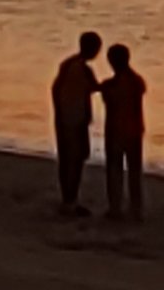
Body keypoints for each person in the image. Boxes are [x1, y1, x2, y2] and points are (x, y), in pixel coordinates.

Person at [50, 32, 103, 212]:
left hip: (64, 118)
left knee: (66, 159)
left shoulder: (67, 65)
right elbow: (95, 87)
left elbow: (55, 89)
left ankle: (68, 199)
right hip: (76, 119)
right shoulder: (82, 69)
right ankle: (71, 199)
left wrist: (58, 110)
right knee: (76, 159)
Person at [100, 42, 148, 221]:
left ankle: (116, 207)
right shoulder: (137, 81)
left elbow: (110, 101)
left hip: (117, 129)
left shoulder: (113, 85)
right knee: (134, 170)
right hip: (135, 129)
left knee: (115, 170)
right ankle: (135, 208)